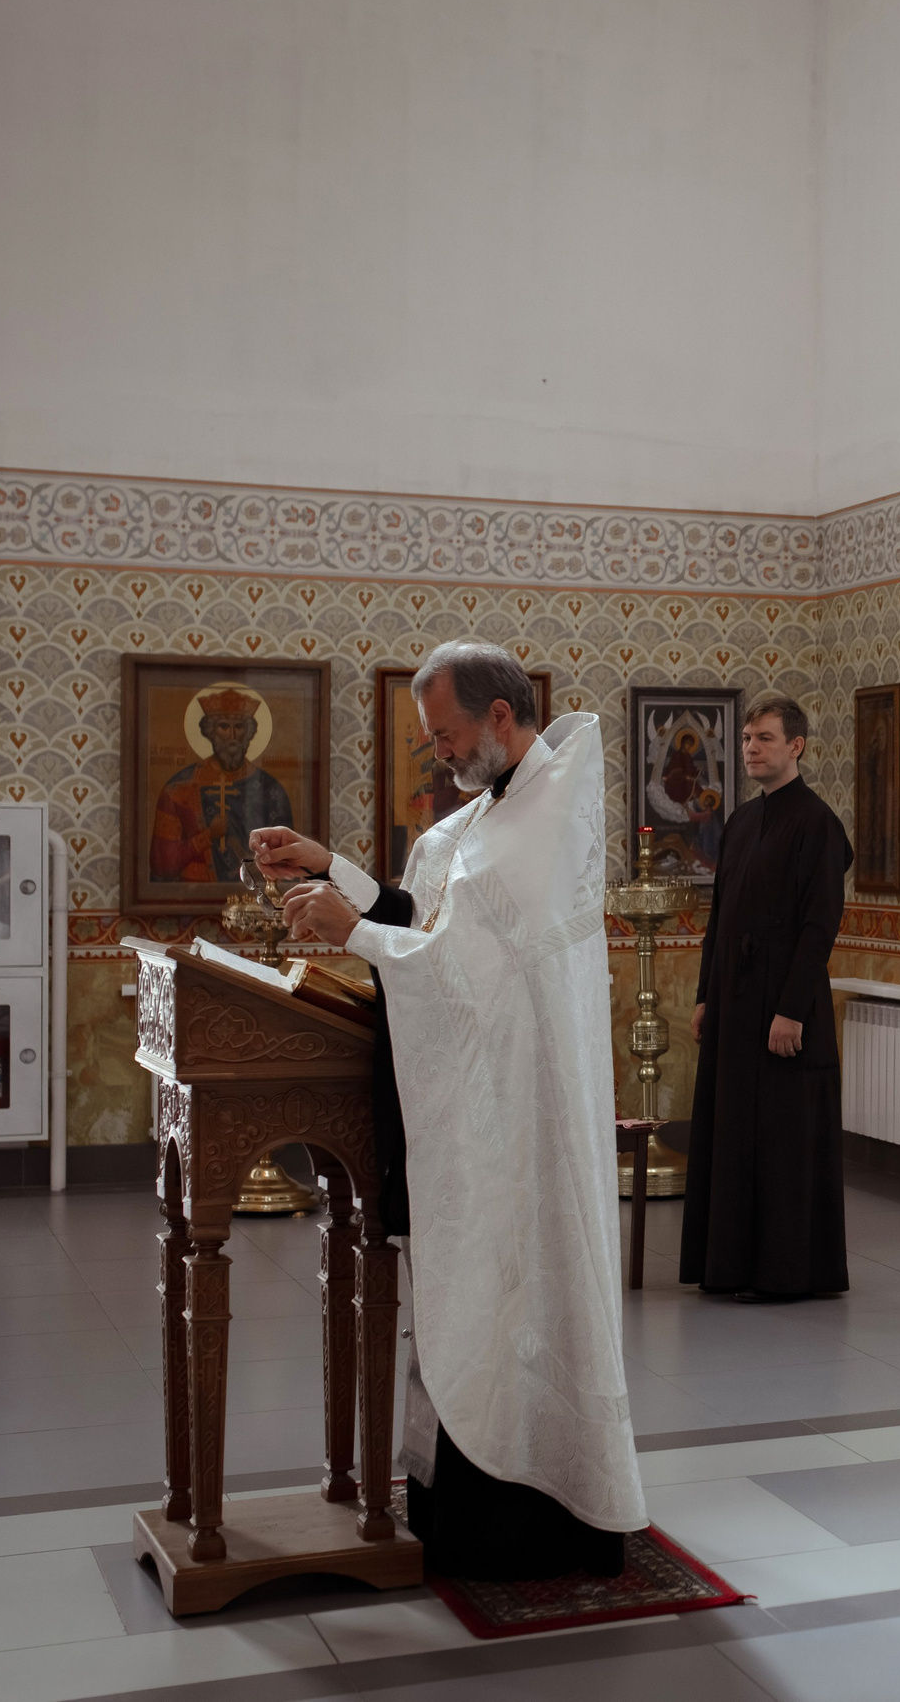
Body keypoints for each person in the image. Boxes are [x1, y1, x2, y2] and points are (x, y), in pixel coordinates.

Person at [259, 640, 645, 1581]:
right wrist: (339, 873)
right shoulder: (489, 812)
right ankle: (456, 1506)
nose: (438, 752)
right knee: (473, 1291)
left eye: (448, 733)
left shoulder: (544, 814)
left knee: (521, 1290)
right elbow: (425, 915)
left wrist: (354, 931)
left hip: (523, 1117)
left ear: (502, 720)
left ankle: (540, 1517)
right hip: (478, 1111)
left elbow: (460, 959)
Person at [681, 696, 853, 1300]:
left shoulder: (817, 824)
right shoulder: (741, 823)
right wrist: (706, 995)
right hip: (733, 996)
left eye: (766, 738)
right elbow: (721, 916)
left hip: (782, 999)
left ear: (797, 747)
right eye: (748, 738)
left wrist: (791, 1009)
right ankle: (729, 1264)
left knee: (780, 1138)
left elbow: (818, 926)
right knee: (733, 1131)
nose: (752, 748)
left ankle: (784, 1271)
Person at [152, 684, 294, 882]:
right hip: (193, 899)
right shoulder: (179, 788)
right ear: (210, 732)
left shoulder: (271, 790)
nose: (233, 736)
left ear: (250, 732)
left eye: (239, 727)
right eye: (224, 727)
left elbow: (288, 863)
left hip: (257, 902)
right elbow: (163, 864)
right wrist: (207, 836)